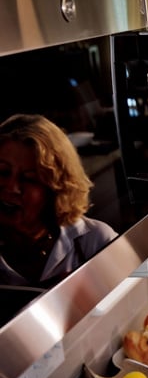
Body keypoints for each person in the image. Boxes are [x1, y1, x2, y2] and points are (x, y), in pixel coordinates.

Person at [0, 114, 118, 287]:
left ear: (56, 188)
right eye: (2, 172)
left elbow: (146, 280)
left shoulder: (94, 240)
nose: (12, 188)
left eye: (29, 179)